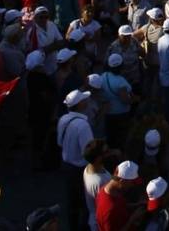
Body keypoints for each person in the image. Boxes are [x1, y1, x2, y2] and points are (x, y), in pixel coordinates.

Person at [58, 89, 96, 231]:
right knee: (86, 203)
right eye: (83, 100)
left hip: (66, 165)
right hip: (80, 169)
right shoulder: (83, 125)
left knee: (72, 203)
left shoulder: (63, 119)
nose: (86, 101)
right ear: (80, 104)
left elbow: (59, 142)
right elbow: (89, 152)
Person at [96, 160, 144, 231]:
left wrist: (136, 204)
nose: (132, 185)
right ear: (122, 181)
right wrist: (132, 219)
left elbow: (120, 205)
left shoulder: (107, 189)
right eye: (132, 183)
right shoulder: (109, 209)